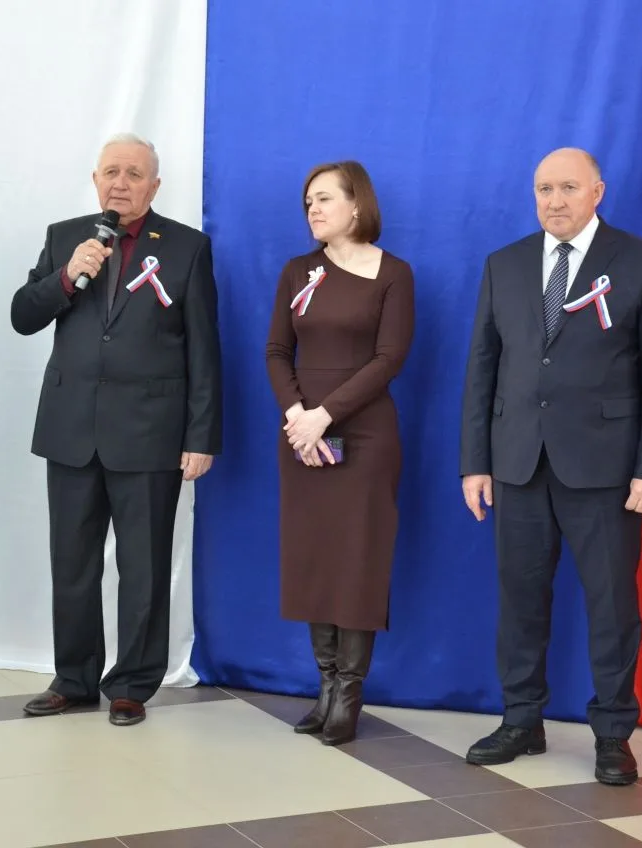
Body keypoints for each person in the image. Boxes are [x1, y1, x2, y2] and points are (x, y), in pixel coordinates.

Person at [459, 148, 642, 785]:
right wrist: (475, 462)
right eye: (543, 189)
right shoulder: (504, 264)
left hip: (606, 469)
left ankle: (613, 732)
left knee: (611, 605)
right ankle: (521, 720)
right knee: (520, 601)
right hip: (518, 462)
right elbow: (482, 368)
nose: (554, 201)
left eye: (567, 187)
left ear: (597, 192)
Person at [11, 133, 222, 727]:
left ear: (155, 186)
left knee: (143, 566)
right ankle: (73, 679)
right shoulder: (65, 238)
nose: (120, 183)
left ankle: (132, 683)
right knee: (72, 563)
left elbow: (204, 350)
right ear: (95, 179)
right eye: (111, 172)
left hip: (151, 433)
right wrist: (66, 276)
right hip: (71, 428)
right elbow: (23, 316)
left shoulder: (186, 247)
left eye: (134, 174)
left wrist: (200, 436)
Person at [266, 161, 415, 746]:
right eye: (308, 202)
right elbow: (277, 351)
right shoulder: (296, 271)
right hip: (302, 436)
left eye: (324, 198)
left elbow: (389, 359)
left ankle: (348, 695)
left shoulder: (393, 274)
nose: (313, 209)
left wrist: (324, 416)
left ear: (358, 205)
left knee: (357, 559)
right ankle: (324, 686)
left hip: (365, 436)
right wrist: (298, 418)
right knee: (315, 558)